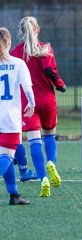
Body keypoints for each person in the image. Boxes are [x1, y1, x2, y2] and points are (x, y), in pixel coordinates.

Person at [11, 16, 66, 197]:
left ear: (20, 32)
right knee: (49, 134)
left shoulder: (16, 53)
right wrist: (60, 85)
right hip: (47, 100)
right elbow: (51, 71)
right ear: (38, 30)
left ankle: (43, 178)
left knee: (34, 140)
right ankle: (51, 163)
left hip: (28, 103)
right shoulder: (45, 48)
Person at [0, 27, 35, 205]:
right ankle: (13, 193)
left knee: (4, 154)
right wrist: (32, 103)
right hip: (8, 118)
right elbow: (28, 88)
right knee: (6, 156)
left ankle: (14, 194)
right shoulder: (18, 63)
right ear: (8, 42)